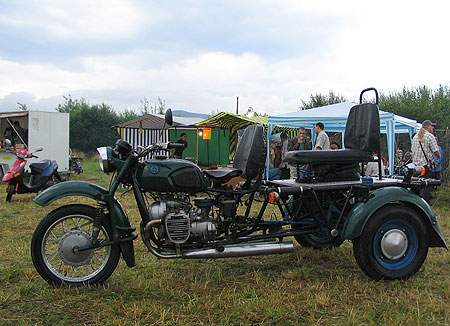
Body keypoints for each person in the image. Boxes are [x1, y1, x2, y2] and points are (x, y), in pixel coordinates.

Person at [411, 120, 440, 203]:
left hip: (416, 166)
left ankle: (415, 202)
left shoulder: (416, 136)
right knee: (426, 186)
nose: (433, 128)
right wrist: (438, 156)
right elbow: (436, 151)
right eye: (432, 126)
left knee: (416, 185)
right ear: (427, 127)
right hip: (425, 165)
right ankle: (425, 203)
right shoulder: (430, 136)